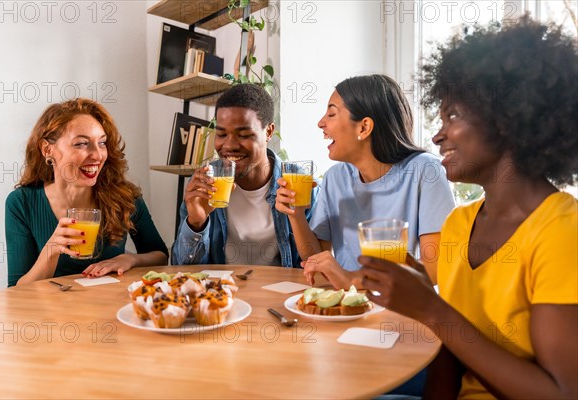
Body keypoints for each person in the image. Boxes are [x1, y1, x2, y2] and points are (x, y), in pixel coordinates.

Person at [360, 16, 577, 399]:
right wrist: (424, 299)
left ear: (508, 118)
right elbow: (450, 360)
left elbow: (561, 393)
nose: (437, 134)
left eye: (453, 116)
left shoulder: (562, 230)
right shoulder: (461, 223)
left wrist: (432, 309)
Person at [276, 74, 455, 287]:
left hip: (402, 308)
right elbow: (316, 259)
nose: (320, 123)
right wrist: (295, 214)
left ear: (363, 127)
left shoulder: (425, 170)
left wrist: (352, 280)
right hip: (347, 305)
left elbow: (436, 268)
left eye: (331, 114)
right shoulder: (336, 177)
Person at [6, 99, 168, 286]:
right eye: (82, 143)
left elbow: (161, 256)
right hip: (54, 313)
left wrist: (129, 259)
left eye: (102, 143)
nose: (98, 155)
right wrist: (51, 251)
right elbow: (16, 290)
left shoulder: (124, 197)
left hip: (109, 308)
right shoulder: (21, 203)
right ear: (47, 149)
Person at [171, 83, 317, 267]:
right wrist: (196, 223)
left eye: (244, 135)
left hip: (281, 294)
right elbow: (181, 269)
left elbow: (316, 264)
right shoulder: (204, 183)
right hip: (222, 293)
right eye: (221, 134)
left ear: (269, 132)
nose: (230, 145)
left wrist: (297, 216)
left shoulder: (299, 183)